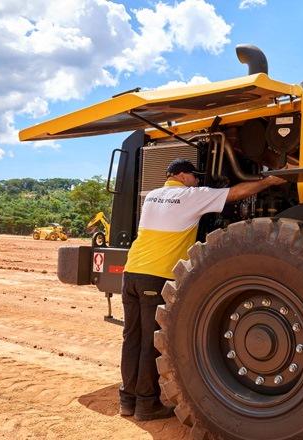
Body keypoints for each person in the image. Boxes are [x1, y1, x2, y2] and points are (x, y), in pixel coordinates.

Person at [119, 158, 287, 420]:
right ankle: (146, 404)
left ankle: (127, 401)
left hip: (131, 272)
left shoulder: (152, 195)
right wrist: (270, 181)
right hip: (155, 276)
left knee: (132, 337)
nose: (198, 181)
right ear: (184, 176)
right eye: (195, 177)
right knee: (148, 343)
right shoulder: (190, 196)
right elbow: (236, 193)